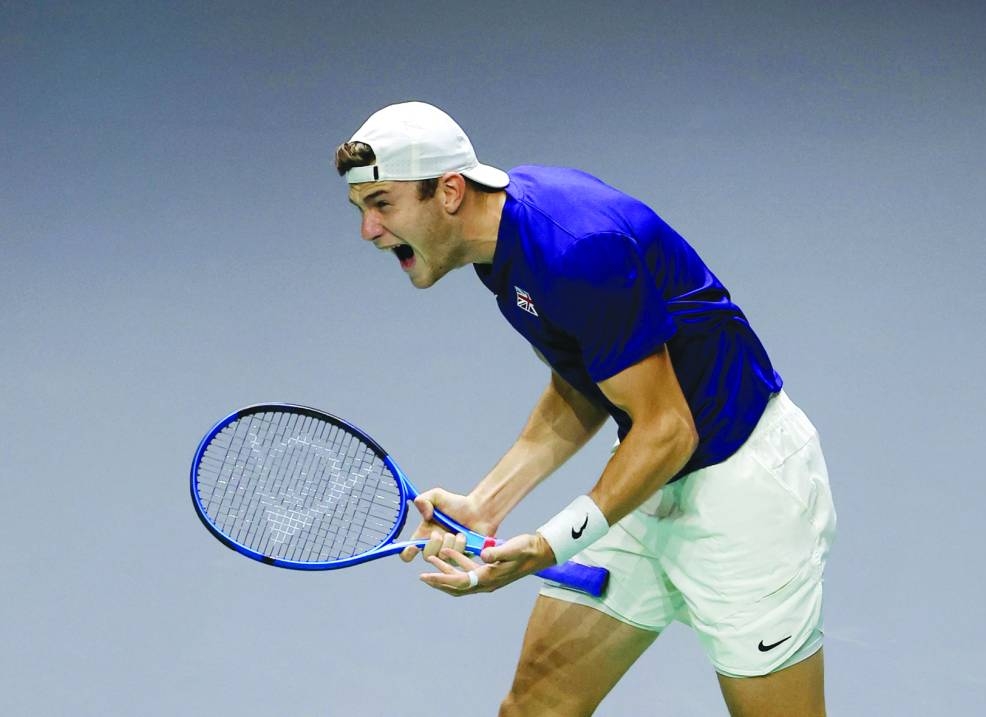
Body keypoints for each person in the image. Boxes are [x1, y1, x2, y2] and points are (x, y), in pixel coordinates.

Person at [334, 101, 837, 717]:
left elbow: (669, 430)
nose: (369, 230)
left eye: (382, 204)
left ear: (450, 191)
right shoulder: (503, 248)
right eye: (361, 209)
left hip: (742, 494)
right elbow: (584, 383)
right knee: (535, 708)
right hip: (646, 482)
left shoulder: (575, 251)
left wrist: (549, 543)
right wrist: (487, 503)